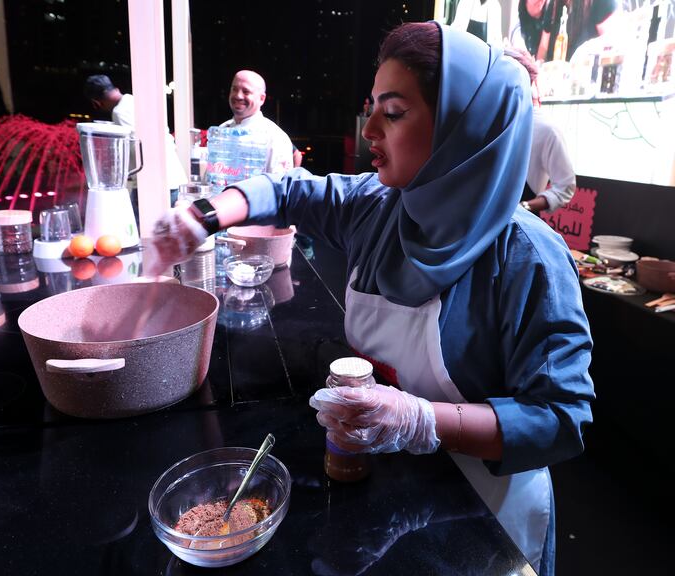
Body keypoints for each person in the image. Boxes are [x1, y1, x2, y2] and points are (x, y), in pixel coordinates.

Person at [150, 22, 594, 576]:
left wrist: (420, 420)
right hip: (395, 489)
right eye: (372, 108)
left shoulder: (528, 257)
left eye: (395, 112)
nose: (370, 130)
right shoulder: (378, 205)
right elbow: (288, 190)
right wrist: (203, 217)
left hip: (486, 513)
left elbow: (560, 417)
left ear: (464, 126)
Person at [84, 74, 187, 196]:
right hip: (175, 177)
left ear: (96, 102)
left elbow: (135, 149)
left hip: (153, 186)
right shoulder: (134, 100)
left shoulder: (120, 112)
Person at [507, 48, 575, 214]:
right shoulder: (487, 121)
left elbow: (565, 186)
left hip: (520, 223)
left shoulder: (545, 130)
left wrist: (525, 207)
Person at [220, 70, 294, 174]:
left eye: (246, 91)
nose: (238, 96)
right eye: (234, 89)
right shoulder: (221, 130)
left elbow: (279, 187)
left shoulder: (275, 138)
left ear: (262, 99)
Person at [537, 0, 620, 61]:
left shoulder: (602, 2)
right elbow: (543, 47)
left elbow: (610, 47)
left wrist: (584, 51)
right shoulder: (555, 4)